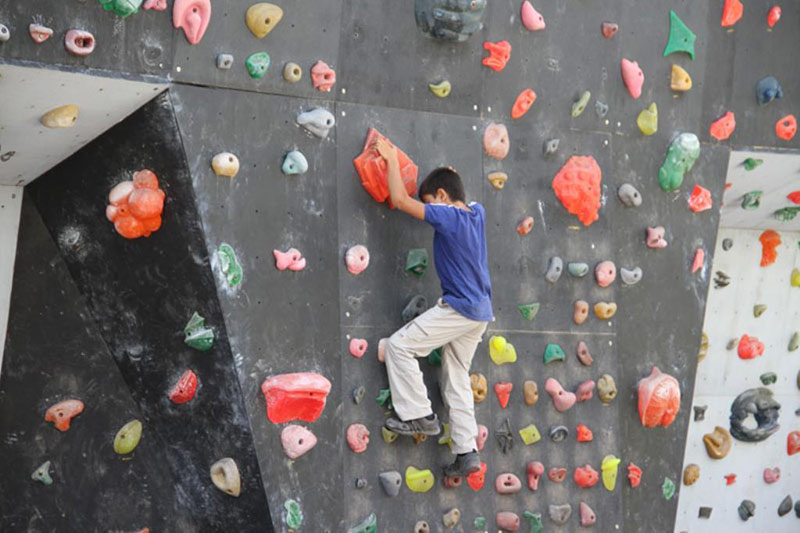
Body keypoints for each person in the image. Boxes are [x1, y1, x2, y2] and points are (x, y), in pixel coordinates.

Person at [374, 137, 493, 477]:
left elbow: (398, 199)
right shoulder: (477, 214)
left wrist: (391, 160)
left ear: (441, 199)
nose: (432, 213)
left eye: (432, 204)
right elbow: (454, 186)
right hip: (481, 313)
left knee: (400, 346)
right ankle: (467, 451)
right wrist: (448, 175)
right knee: (455, 377)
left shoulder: (449, 217)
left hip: (460, 307)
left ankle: (418, 415)